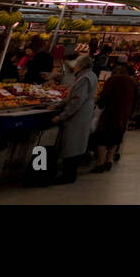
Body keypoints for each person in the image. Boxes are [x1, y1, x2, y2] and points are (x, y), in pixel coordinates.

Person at [52, 55, 97, 184]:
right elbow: (73, 97)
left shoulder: (84, 78)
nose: (74, 66)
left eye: (76, 63)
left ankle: (68, 175)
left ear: (81, 66)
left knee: (71, 143)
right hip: (83, 113)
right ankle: (69, 173)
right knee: (75, 143)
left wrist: (61, 116)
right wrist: (58, 104)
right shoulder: (90, 75)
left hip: (78, 115)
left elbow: (76, 101)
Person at [92, 62, 138, 173]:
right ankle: (109, 160)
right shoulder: (133, 82)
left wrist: (100, 103)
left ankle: (100, 163)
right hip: (123, 116)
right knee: (116, 138)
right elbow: (137, 99)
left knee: (102, 138)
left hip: (110, 113)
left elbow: (104, 96)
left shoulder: (111, 80)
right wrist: (130, 113)